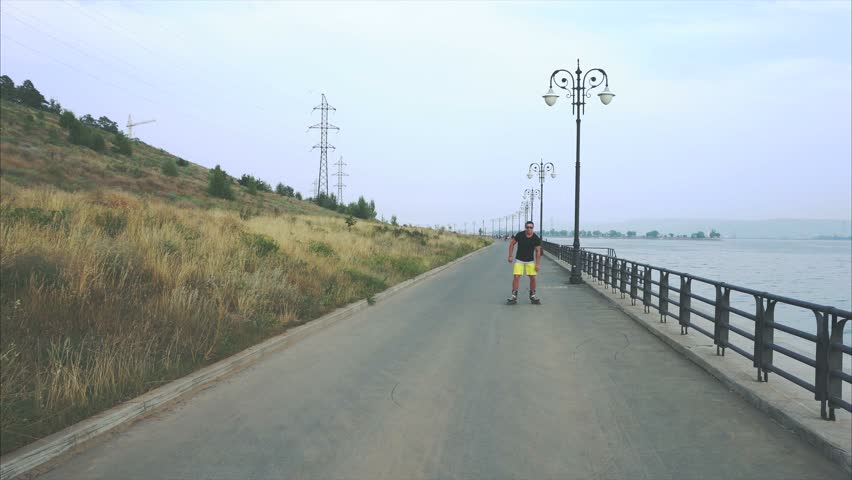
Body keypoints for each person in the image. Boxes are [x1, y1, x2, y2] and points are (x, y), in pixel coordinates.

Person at [507, 221, 541, 303]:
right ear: (525, 227)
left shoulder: (536, 238)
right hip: (519, 260)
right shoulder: (520, 235)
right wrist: (510, 256)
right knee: (516, 277)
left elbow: (538, 251)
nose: (529, 229)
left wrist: (537, 264)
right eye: (527, 227)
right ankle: (514, 296)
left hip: (530, 261)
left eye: (531, 227)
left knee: (532, 278)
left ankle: (532, 295)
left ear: (533, 228)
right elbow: (512, 244)